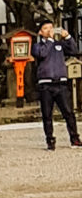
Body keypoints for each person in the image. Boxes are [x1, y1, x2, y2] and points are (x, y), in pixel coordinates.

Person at [32, 20, 81, 150]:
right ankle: (50, 140)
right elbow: (42, 54)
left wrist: (68, 37)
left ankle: (75, 138)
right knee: (47, 114)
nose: (49, 30)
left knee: (68, 113)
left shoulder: (59, 45)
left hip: (61, 83)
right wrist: (49, 40)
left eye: (51, 28)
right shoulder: (37, 46)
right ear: (40, 32)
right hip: (45, 84)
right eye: (46, 28)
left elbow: (74, 50)